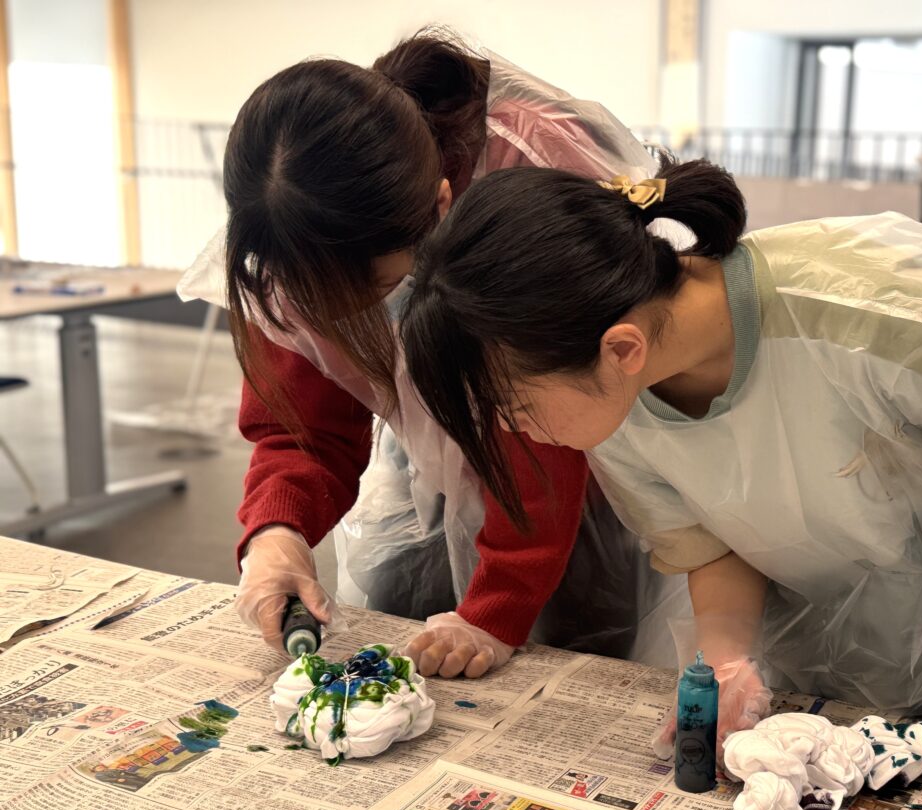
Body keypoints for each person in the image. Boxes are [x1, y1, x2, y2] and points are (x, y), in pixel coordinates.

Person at [398, 159, 922, 789]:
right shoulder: (619, 397)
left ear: (621, 349)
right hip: (835, 656)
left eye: (512, 406)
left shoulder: (874, 301)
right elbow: (711, 541)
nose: (510, 431)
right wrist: (727, 656)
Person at [177, 29, 682, 676]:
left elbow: (545, 423)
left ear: (441, 208)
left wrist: (498, 607)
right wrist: (278, 533)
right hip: (437, 466)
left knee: (581, 651)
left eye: (372, 293)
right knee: (406, 628)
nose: (336, 319)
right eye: (311, 300)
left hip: (580, 460)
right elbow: (302, 430)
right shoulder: (286, 235)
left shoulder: (534, 170)